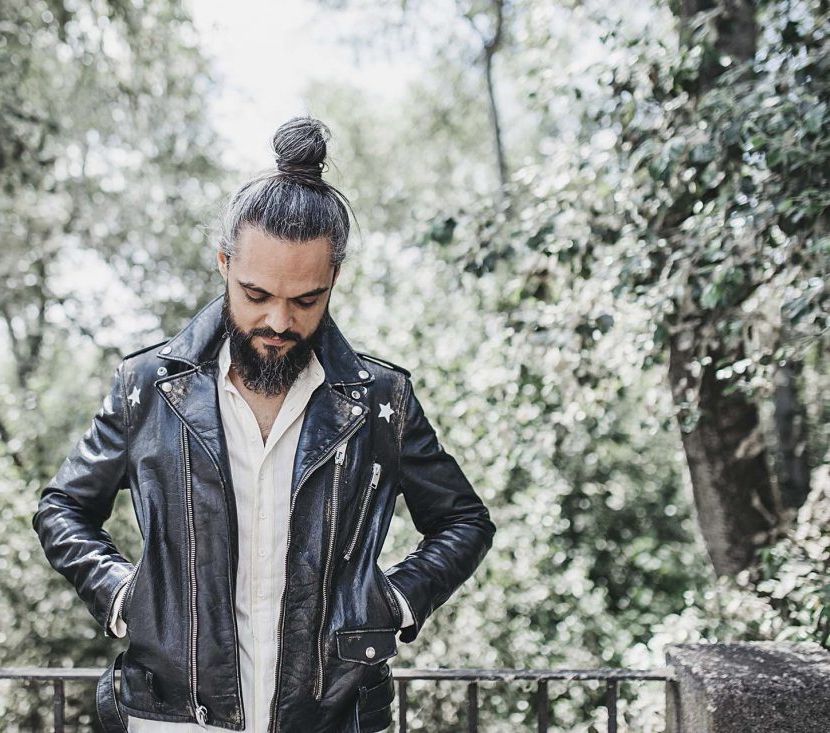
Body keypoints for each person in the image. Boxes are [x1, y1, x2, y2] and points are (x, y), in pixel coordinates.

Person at [32, 116, 496, 733]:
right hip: (170, 717)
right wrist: (121, 595)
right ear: (225, 264)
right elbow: (62, 507)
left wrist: (396, 599)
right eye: (256, 294)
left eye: (306, 300)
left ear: (333, 281)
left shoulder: (383, 400)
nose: (278, 320)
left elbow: (464, 521)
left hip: (335, 715)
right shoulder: (147, 387)